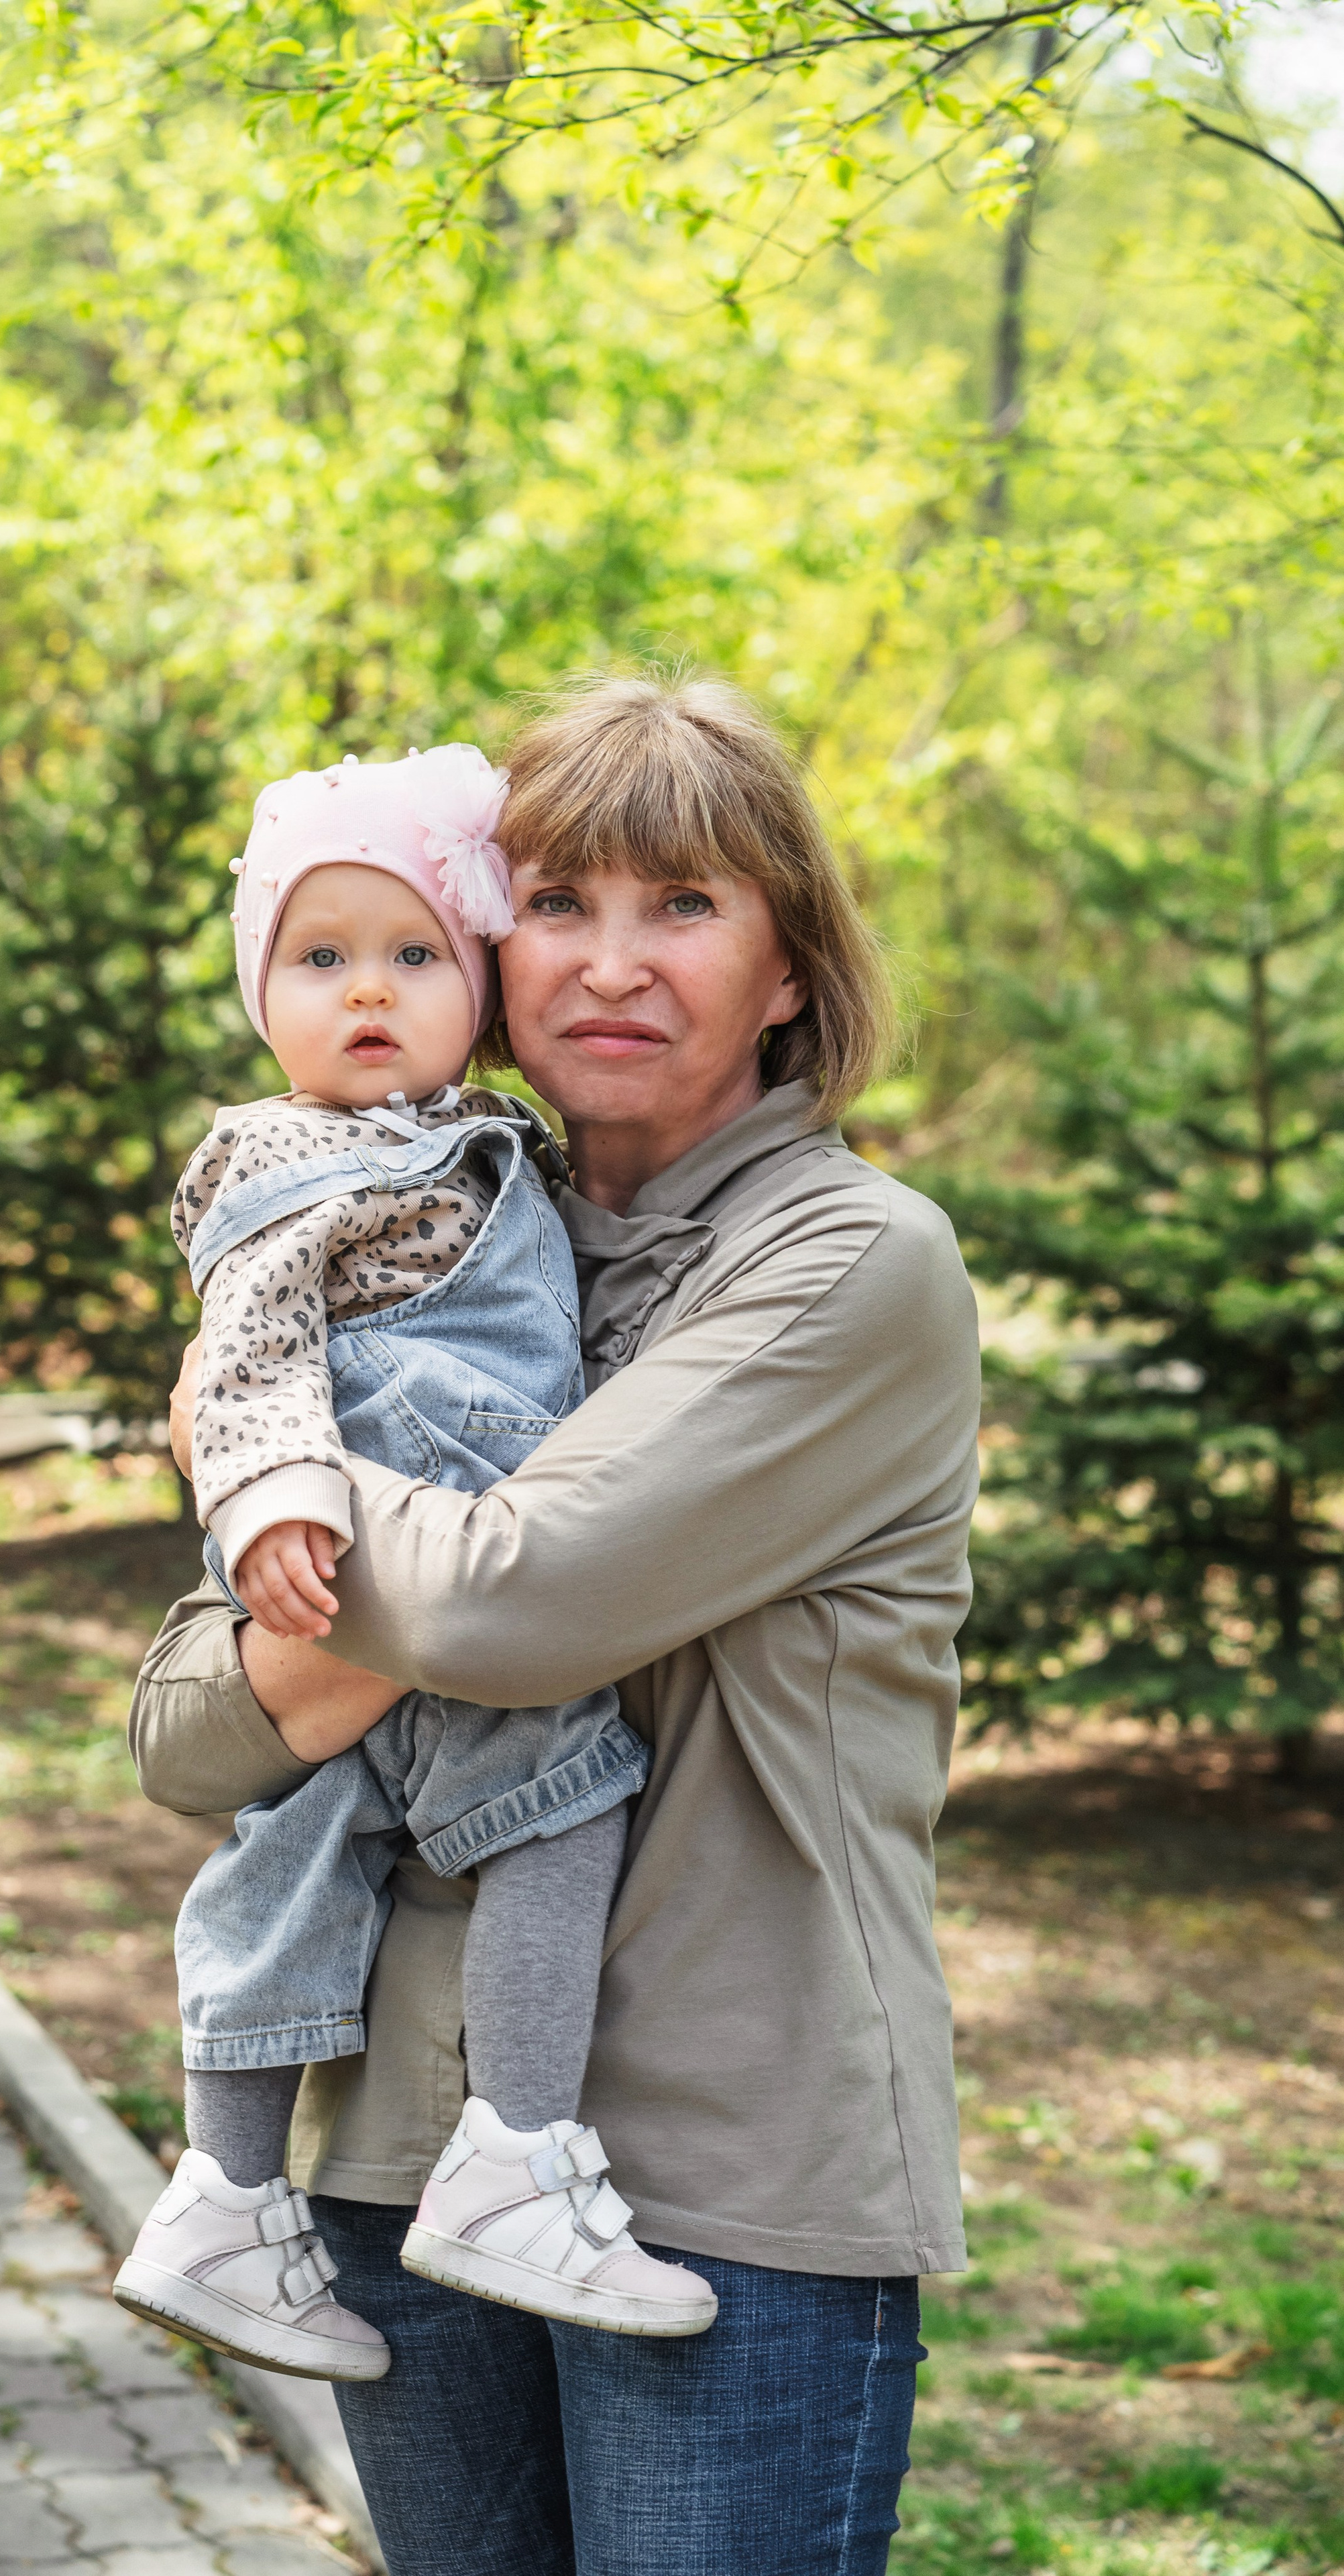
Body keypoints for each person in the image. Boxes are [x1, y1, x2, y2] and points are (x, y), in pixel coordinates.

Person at [131, 672, 981, 2576]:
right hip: (391, 2173)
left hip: (722, 2185)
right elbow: (186, 1733)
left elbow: (520, 1605)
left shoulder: (849, 1267)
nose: (611, 962)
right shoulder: (430, 1237)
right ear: (490, 951)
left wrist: (238, 1434)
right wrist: (305, 1501)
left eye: (683, 907)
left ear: (786, 969)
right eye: (564, 905)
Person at [113, 741, 718, 2385]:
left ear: (480, 988)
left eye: (412, 957)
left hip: (405, 1542)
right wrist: (268, 1499)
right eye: (319, 961)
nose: (365, 994)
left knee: (293, 1853)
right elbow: (244, 1357)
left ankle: (225, 2195)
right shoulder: (287, 1158)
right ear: (259, 999)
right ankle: (516, 2153)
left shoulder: (480, 1133)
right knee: (562, 1800)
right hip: (398, 1518)